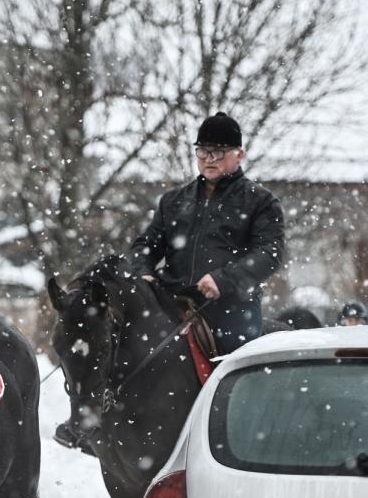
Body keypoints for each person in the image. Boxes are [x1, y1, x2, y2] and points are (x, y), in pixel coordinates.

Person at [55, 110, 285, 450]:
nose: (209, 159)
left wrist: (224, 279)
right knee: (114, 345)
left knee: (237, 364)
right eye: (203, 151)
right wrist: (143, 268)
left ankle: (240, 438)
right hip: (171, 298)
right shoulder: (174, 200)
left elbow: (270, 253)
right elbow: (145, 244)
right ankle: (91, 423)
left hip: (229, 306)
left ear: (239, 154)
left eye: (219, 152)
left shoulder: (260, 201)